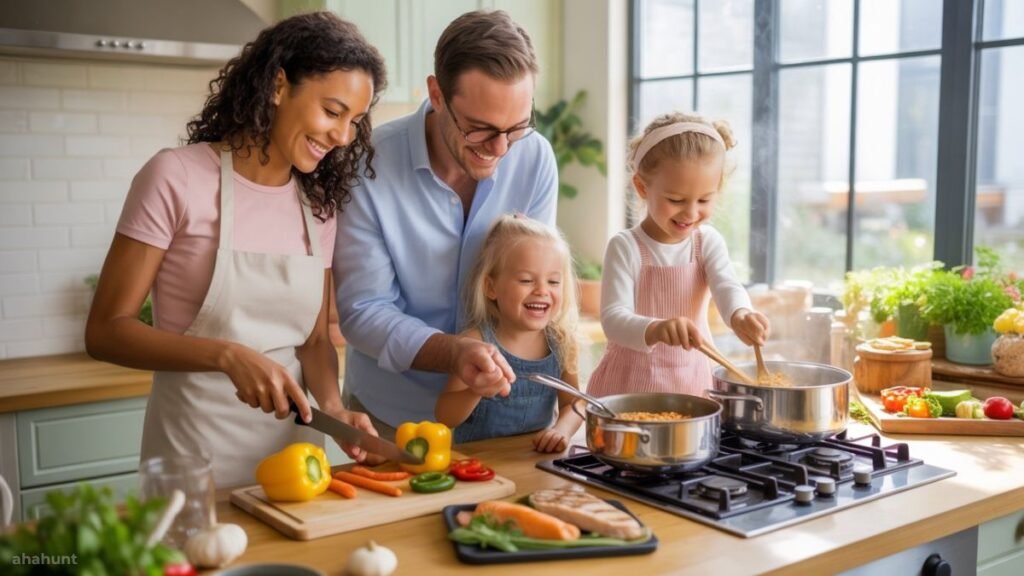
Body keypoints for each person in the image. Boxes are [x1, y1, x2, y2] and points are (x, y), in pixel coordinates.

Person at [84, 12, 388, 487]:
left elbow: (313, 341)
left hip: (292, 466)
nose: (344, 136)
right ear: (278, 86)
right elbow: (105, 331)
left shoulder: (319, 206)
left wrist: (333, 406)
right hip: (190, 460)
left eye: (355, 121)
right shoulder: (176, 177)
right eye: (332, 112)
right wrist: (227, 355)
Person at [334, 10, 559, 438]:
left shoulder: (534, 157)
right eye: (480, 129)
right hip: (395, 418)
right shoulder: (367, 165)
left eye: (515, 128)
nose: (499, 149)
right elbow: (363, 311)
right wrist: (453, 353)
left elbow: (537, 280)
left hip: (505, 418)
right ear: (436, 94)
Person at [588, 112, 770, 398]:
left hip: (693, 383)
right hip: (630, 387)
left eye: (704, 200)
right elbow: (613, 319)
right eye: (676, 200)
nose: (691, 212)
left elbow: (727, 286)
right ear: (642, 187)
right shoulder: (626, 246)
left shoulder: (706, 242)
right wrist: (656, 329)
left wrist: (740, 314)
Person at [435, 215, 584, 452]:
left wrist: (561, 430)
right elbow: (445, 415)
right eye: (526, 280)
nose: (542, 291)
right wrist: (476, 390)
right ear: (491, 287)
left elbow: (574, 403)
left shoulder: (563, 343)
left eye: (554, 282)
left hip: (534, 466)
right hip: (479, 470)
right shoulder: (475, 344)